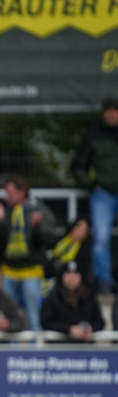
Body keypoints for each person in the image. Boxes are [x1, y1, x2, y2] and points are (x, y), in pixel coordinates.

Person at [0, 175, 59, 331]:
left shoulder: (39, 209)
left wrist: (38, 225)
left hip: (31, 270)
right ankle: (11, 352)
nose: (7, 196)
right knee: (9, 315)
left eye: (11, 192)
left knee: (32, 313)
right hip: (9, 270)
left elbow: (49, 240)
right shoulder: (4, 211)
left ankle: (35, 351)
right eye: (6, 192)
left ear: (22, 192)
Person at [70, 97, 118, 294]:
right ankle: (104, 281)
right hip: (103, 194)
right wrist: (91, 184)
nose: (112, 114)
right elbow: (77, 166)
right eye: (109, 111)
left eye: (115, 111)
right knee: (101, 238)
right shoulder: (93, 136)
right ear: (102, 113)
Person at [40, 262, 105, 342]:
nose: (71, 277)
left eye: (75, 273)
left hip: (86, 348)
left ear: (80, 276)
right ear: (62, 276)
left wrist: (89, 329)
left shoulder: (89, 296)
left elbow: (100, 322)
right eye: (68, 273)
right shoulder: (54, 296)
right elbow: (46, 321)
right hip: (59, 347)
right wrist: (69, 329)